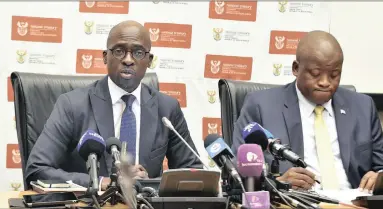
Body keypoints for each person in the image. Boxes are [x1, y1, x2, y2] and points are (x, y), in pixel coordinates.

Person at [25, 20, 202, 189]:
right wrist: (100, 181)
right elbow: (37, 169)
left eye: (138, 53)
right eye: (119, 51)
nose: (128, 60)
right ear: (105, 57)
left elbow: (193, 173)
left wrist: (151, 183)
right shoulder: (72, 105)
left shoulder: (167, 108)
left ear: (149, 60)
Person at [232, 30, 383, 192]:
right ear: (296, 68)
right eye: (315, 74)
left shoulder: (363, 107)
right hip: (295, 202)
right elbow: (239, 174)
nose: (325, 82)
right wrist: (279, 183)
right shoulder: (260, 106)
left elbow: (380, 166)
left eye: (334, 75)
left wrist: (378, 177)